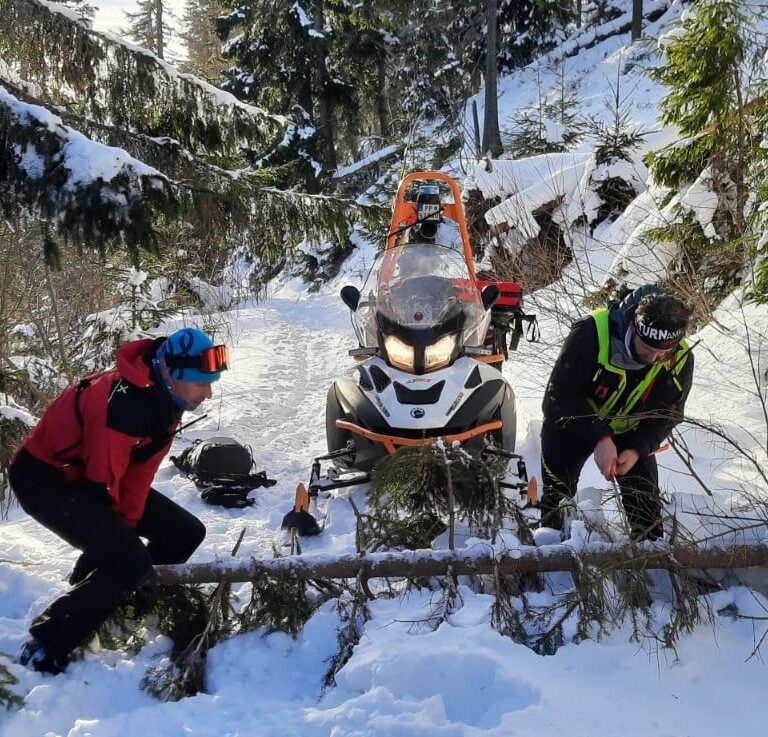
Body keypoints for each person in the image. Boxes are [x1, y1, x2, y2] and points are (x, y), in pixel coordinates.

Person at [9, 327, 229, 674]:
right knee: (127, 560)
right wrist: (110, 548)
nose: (209, 392)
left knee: (184, 533)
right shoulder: (123, 403)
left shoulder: (166, 398)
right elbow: (102, 485)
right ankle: (46, 642)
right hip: (44, 480)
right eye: (202, 383)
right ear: (173, 375)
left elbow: (139, 475)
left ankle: (122, 603)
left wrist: (118, 533)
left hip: (88, 477)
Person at [539, 285, 694, 541]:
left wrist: (637, 449)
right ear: (632, 327)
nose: (653, 358)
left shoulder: (680, 358)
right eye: (646, 349)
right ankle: (550, 550)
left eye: (662, 353)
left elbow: (668, 414)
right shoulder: (591, 332)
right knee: (557, 494)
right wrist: (600, 438)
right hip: (575, 420)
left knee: (645, 506)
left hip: (631, 430)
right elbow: (560, 396)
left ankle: (648, 560)